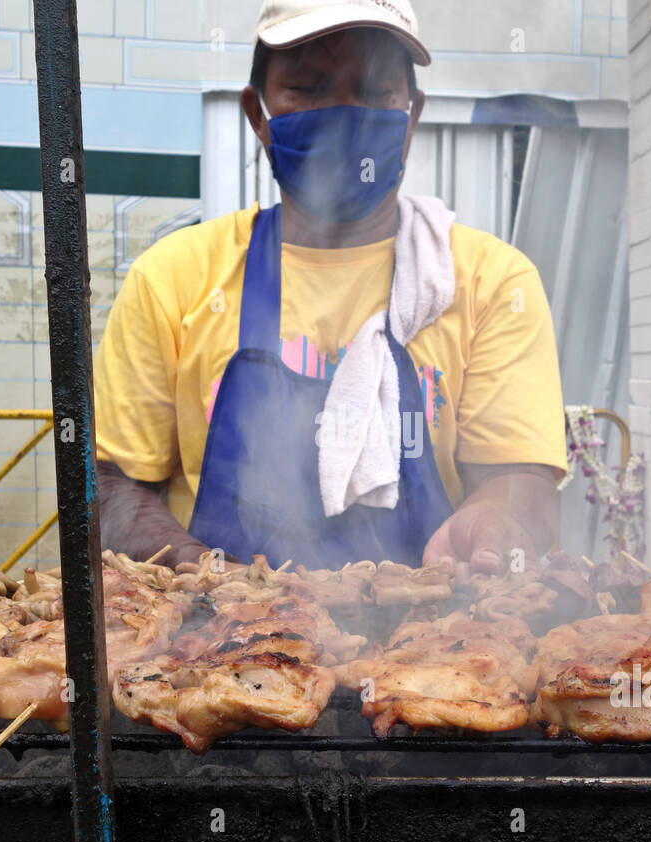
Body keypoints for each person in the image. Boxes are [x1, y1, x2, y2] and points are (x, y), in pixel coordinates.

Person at [93, 0, 566, 574]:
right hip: (216, 645)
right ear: (258, 116)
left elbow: (523, 482)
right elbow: (110, 487)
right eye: (310, 89)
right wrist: (208, 579)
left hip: (437, 647)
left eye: (372, 92)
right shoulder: (173, 279)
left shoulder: (491, 283)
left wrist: (497, 521)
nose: (344, 114)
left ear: (411, 116)